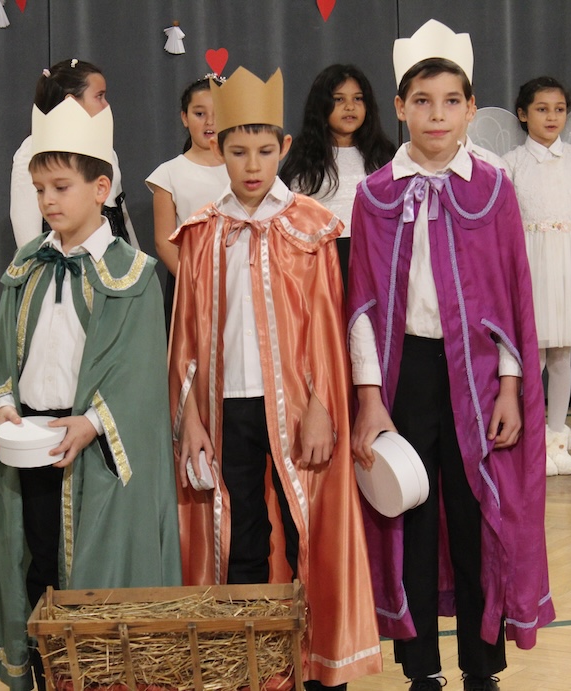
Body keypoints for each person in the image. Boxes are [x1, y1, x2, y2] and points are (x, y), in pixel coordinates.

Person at [348, 19, 555, 691]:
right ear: (400, 106)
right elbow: (361, 305)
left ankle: (480, 666)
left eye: (450, 101)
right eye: (421, 101)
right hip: (404, 374)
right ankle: (421, 669)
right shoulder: (374, 195)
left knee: (475, 518)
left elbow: (513, 295)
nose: (436, 115)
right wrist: (370, 397)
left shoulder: (493, 189)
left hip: (477, 377)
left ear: (470, 108)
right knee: (409, 515)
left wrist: (509, 385)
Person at [168, 66, 382, 691]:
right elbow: (186, 335)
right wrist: (191, 418)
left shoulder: (311, 227)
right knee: (241, 538)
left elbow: (326, 326)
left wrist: (320, 407)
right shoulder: (204, 232)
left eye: (264, 151)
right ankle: (251, 668)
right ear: (219, 150)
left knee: (304, 530)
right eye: (238, 151)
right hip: (228, 408)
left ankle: (317, 665)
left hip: (294, 408)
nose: (252, 165)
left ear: (284, 147)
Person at [0, 86, 181, 691]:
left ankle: (93, 677)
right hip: (31, 442)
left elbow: (139, 374)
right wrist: (5, 405)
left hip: (95, 451)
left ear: (101, 188)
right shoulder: (26, 265)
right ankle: (40, 673)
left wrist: (91, 423)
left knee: (87, 575)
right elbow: (2, 354)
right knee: (35, 567)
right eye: (39, 189)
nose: (47, 201)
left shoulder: (133, 275)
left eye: (60, 187)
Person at [503, 76, 571, 476]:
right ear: (523, 114)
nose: (551, 117)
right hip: (530, 266)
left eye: (559, 109)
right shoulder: (511, 162)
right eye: (542, 109)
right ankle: (531, 443)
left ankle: (557, 440)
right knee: (533, 357)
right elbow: (504, 225)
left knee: (563, 355)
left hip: (569, 267)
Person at [280, 63, 396, 281]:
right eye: (339, 99)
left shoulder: (383, 156)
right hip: (320, 261)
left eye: (358, 99)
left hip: (373, 258)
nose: (350, 107)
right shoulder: (306, 158)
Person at [10, 58, 138, 249]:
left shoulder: (104, 148)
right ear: (71, 101)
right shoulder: (33, 150)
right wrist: (38, 264)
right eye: (99, 96)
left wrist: (135, 256)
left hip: (112, 255)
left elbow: (120, 211)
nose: (106, 105)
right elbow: (26, 227)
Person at [145, 74, 230, 320]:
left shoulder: (242, 169)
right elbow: (164, 242)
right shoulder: (168, 173)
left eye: (218, 113)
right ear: (185, 117)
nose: (209, 122)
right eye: (199, 114)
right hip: (189, 280)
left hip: (240, 277)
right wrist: (195, 283)